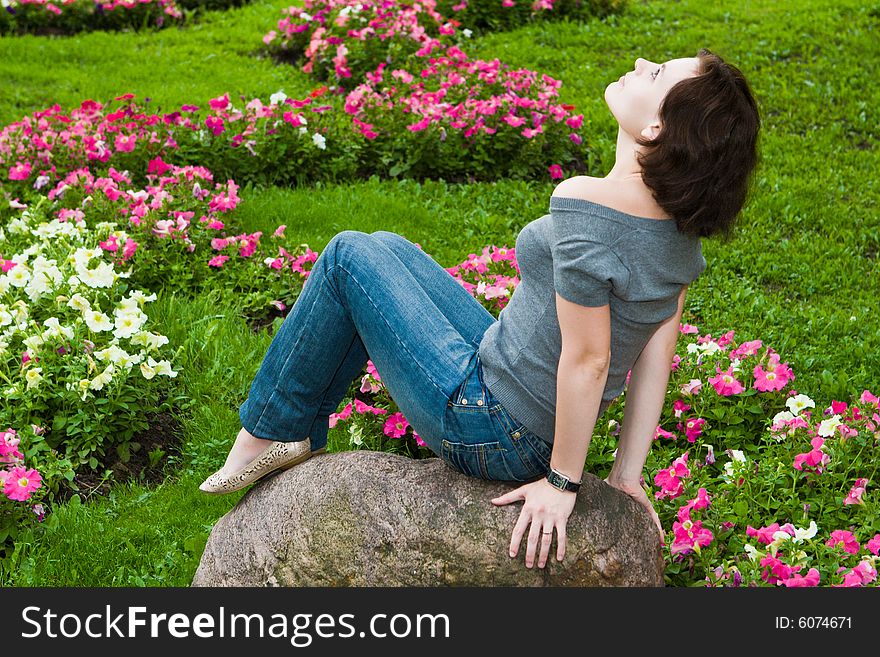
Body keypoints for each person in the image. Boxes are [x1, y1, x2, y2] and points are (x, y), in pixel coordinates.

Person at [199, 47, 760, 572]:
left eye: (657, 73)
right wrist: (625, 476)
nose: (641, 62)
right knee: (388, 249)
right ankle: (293, 432)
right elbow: (656, 358)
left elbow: (590, 361)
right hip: (514, 386)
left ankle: (272, 429)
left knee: (348, 255)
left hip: (492, 427)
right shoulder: (679, 238)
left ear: (656, 130)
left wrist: (562, 485)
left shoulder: (585, 206)